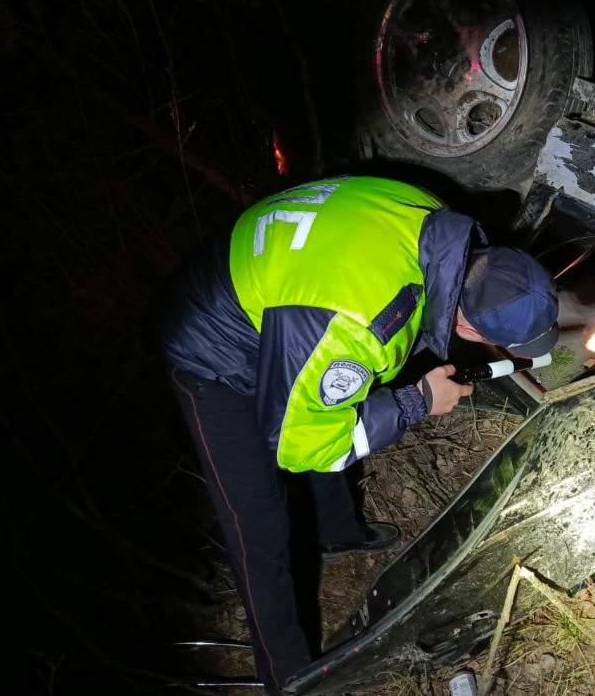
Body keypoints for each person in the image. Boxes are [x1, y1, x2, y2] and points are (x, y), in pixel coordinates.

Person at [154, 175, 558, 693]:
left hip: (279, 296)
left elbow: (359, 351)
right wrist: (417, 402)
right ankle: (288, 678)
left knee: (341, 396)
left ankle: (337, 531)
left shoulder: (435, 224)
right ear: (473, 331)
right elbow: (304, 447)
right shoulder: (356, 323)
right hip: (211, 349)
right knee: (258, 524)